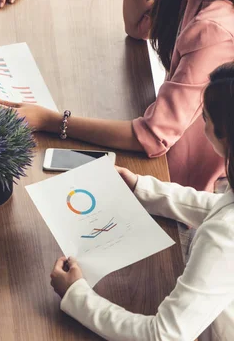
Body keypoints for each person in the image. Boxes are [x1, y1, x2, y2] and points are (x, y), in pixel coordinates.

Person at [0, 0, 234, 192]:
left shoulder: (213, 29)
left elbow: (153, 136)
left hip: (196, 177)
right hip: (178, 144)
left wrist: (51, 121)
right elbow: (137, 26)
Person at [49, 62, 234, 341]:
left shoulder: (223, 236)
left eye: (205, 118)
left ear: (225, 134)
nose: (200, 124)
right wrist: (141, 188)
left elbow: (162, 336)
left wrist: (76, 295)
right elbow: (219, 208)